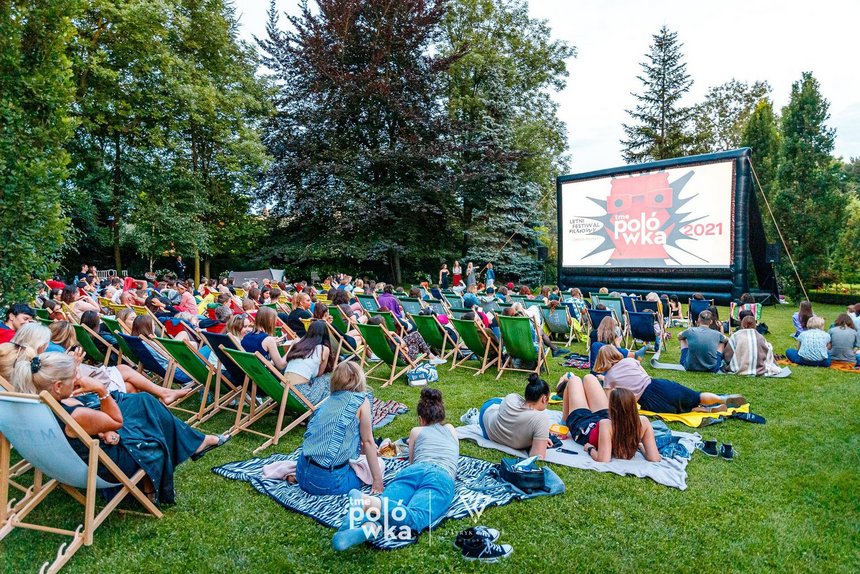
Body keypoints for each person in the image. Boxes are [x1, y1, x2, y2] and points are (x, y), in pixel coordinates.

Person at [12, 351, 228, 505]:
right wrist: (99, 390)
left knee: (143, 401)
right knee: (149, 426)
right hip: (105, 464)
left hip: (71, 457)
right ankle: (151, 486)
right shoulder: (75, 416)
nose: (78, 380)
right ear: (58, 386)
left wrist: (103, 427)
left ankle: (197, 441)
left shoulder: (37, 403)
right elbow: (116, 421)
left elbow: (95, 421)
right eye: (73, 378)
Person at [333, 388, 459, 552]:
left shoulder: (416, 431)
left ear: (420, 419)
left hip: (414, 471)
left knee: (382, 507)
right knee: (416, 517)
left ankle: (366, 529)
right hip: (441, 475)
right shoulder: (451, 429)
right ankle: (364, 501)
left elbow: (412, 461)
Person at [297, 362, 383, 496]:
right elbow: (368, 442)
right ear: (359, 379)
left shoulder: (327, 401)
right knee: (379, 465)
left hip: (301, 473)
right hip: (327, 482)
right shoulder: (361, 401)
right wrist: (378, 482)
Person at [595, 345, 746, 414]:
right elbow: (644, 374)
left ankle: (706, 410)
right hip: (657, 385)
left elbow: (608, 402)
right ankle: (720, 399)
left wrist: (605, 381)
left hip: (648, 401)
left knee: (680, 411)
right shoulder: (631, 361)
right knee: (695, 396)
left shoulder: (610, 378)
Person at [559, 372, 660, 462]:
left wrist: (590, 448)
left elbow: (603, 459)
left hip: (584, 427)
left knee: (574, 380)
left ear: (612, 408)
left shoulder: (606, 425)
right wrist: (641, 447)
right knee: (589, 377)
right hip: (609, 419)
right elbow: (654, 457)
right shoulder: (644, 422)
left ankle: (564, 421)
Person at [477, 374, 552, 459]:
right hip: (489, 419)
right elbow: (537, 457)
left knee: (503, 403)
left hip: (488, 429)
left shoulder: (512, 397)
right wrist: (539, 441)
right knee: (500, 402)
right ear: (544, 398)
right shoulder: (541, 418)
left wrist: (539, 438)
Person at [282, 320, 335, 405]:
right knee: (326, 379)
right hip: (301, 396)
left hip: (283, 392)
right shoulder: (323, 349)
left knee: (323, 388)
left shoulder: (299, 344)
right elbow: (319, 374)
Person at [366, 316, 446, 365]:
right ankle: (432, 357)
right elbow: (402, 344)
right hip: (404, 358)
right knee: (416, 340)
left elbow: (400, 345)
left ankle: (431, 357)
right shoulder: (389, 339)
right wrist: (394, 333)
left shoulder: (375, 337)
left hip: (391, 355)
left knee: (415, 334)